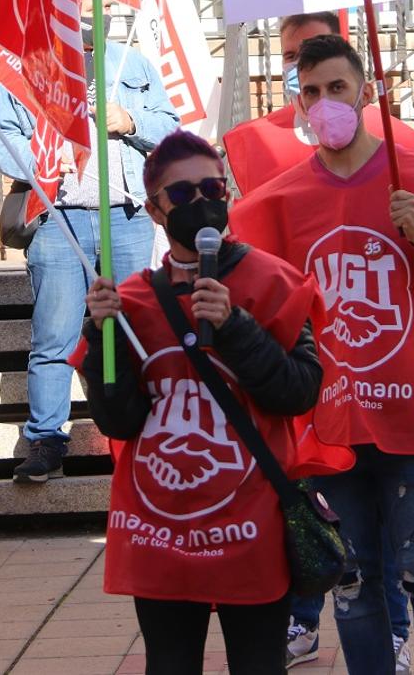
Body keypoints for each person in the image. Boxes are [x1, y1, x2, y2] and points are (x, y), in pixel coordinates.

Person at [232, 35, 414, 674]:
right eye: (310, 92)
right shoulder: (282, 201)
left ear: (367, 93)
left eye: (336, 88)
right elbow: (270, 311)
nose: (324, 104)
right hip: (333, 422)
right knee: (350, 582)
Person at [76, 130, 327, 674]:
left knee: (259, 664)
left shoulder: (277, 282)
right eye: (183, 194)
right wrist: (102, 339)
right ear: (155, 210)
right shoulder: (133, 300)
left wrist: (237, 327)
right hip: (159, 527)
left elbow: (301, 390)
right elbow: (118, 421)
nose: (203, 202)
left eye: (213, 187)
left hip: (251, 526)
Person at [0, 16, 179, 484]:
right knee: (55, 336)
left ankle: (147, 434)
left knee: (137, 330)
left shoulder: (132, 61)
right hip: (57, 218)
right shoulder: (25, 68)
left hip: (125, 216)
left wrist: (130, 120)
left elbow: (170, 128)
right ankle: (46, 439)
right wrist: (42, 159)